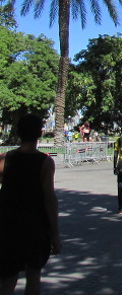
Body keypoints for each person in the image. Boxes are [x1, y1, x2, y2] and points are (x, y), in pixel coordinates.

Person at [0, 114, 61, 295]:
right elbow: (50, 199)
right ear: (39, 134)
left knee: (7, 279)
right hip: (35, 225)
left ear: (18, 133)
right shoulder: (45, 163)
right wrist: (55, 234)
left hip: (7, 224)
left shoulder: (4, 159)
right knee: (34, 276)